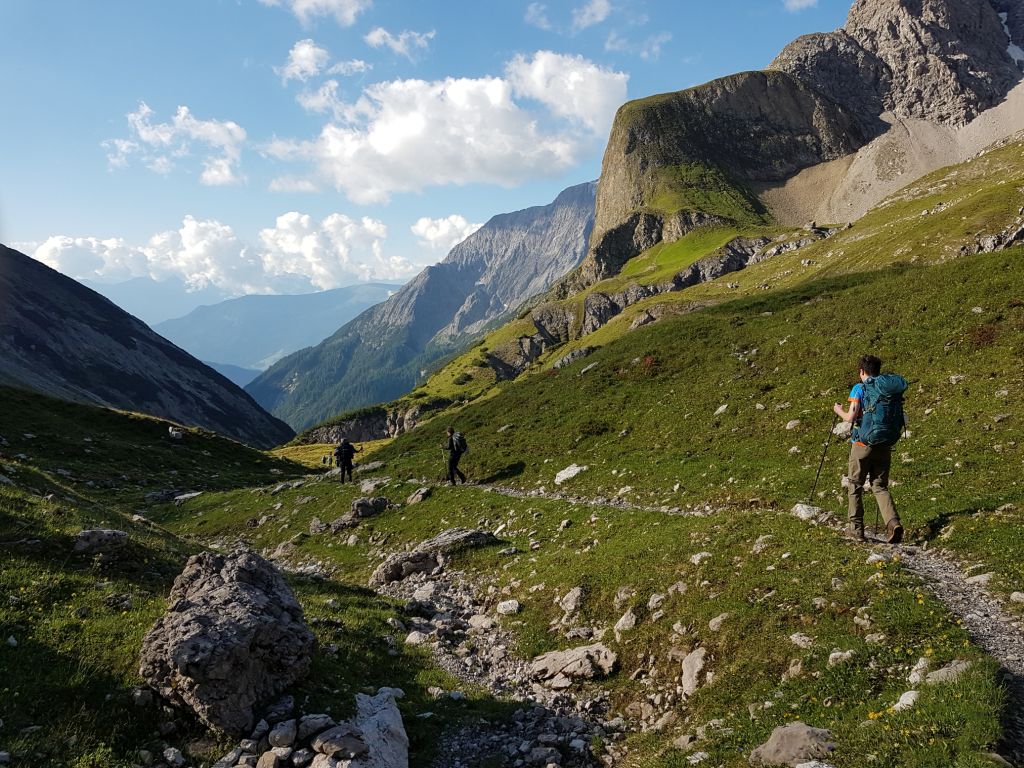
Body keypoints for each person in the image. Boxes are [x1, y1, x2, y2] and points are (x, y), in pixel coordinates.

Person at [833, 354, 905, 544]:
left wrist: (838, 410)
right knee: (879, 486)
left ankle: (856, 529)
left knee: (855, 484)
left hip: (862, 444)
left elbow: (850, 417)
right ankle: (893, 523)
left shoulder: (860, 388)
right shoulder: (887, 390)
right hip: (885, 444)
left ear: (861, 371)